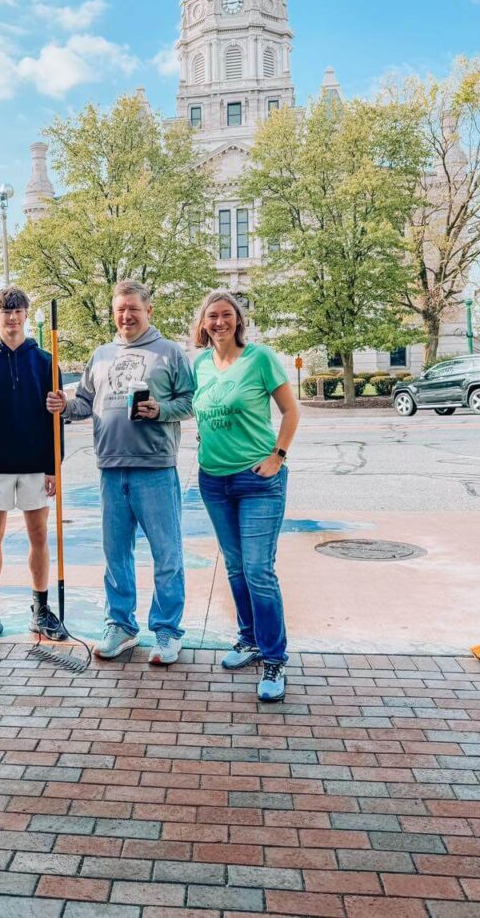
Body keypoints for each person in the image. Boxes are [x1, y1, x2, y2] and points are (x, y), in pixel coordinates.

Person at [47, 280, 194, 665]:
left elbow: (191, 401)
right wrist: (63, 404)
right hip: (111, 469)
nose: (126, 316)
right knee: (116, 555)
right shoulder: (101, 355)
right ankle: (121, 626)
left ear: (148, 311)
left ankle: (166, 631)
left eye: (133, 309)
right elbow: (83, 404)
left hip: (155, 469)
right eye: (119, 310)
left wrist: (160, 410)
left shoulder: (169, 353)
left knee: (166, 555)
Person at [191, 290, 300, 702]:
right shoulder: (200, 364)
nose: (219, 322)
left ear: (238, 320)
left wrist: (278, 455)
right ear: (203, 324)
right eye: (211, 317)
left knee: (258, 570)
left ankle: (274, 658)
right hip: (213, 481)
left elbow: (291, 411)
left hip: (258, 480)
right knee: (235, 567)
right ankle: (249, 640)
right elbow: (199, 410)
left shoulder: (260, 358)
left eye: (226, 315)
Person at [0, 286, 65, 649]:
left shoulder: (46, 361)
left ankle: (41, 609)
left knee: (39, 536)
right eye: (5, 311)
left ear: (25, 314)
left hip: (36, 464)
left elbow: (57, 418)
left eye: (18, 310)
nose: (12, 317)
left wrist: (54, 465)